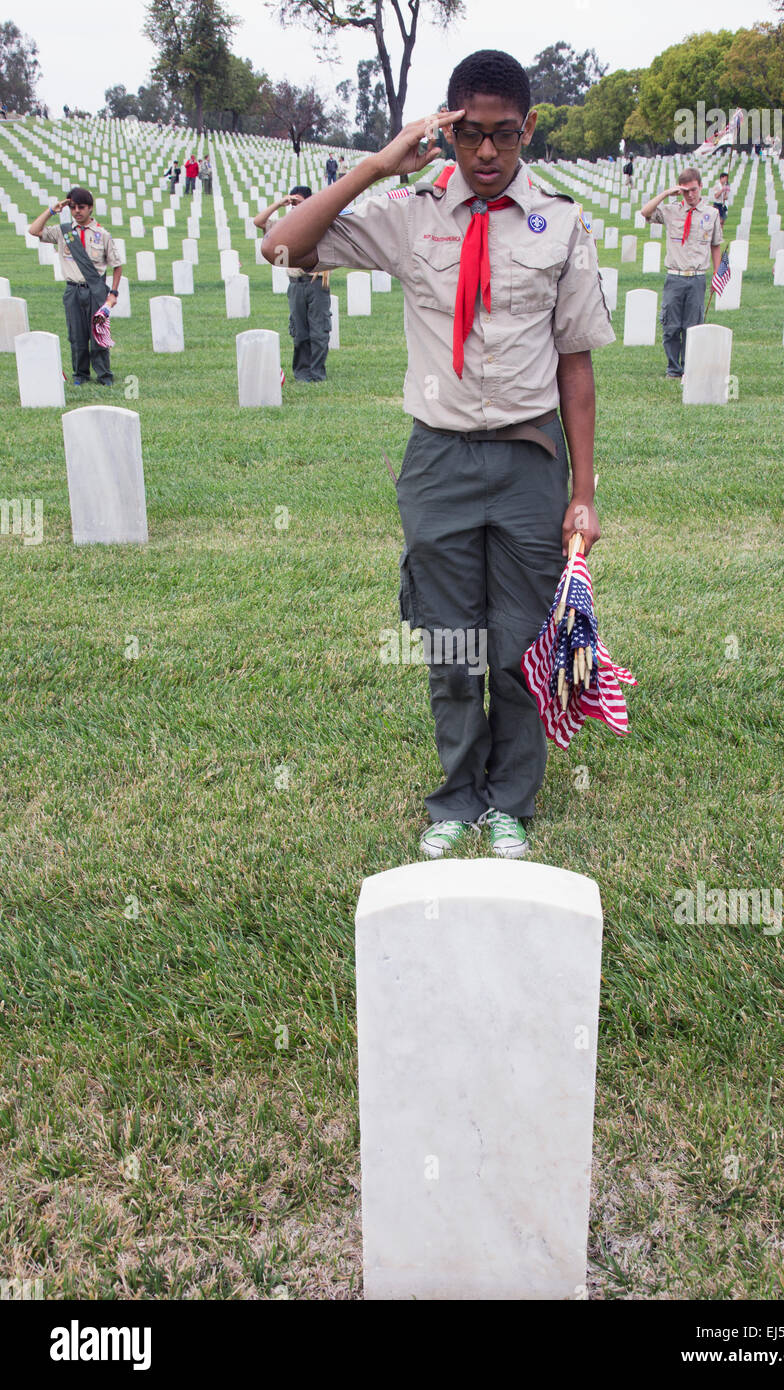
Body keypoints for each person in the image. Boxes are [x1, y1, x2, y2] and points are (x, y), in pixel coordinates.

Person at [262, 48, 614, 861]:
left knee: (524, 647)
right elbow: (281, 249)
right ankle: (455, 796)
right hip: (439, 462)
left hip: (530, 461)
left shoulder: (558, 221)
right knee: (453, 648)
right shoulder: (410, 213)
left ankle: (511, 805)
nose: (486, 155)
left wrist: (584, 490)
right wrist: (381, 163)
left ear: (528, 129)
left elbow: (576, 364)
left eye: (503, 136)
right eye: (469, 136)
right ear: (446, 130)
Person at [28, 186, 122, 386]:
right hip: (72, 290)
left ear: (90, 208)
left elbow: (117, 266)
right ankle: (80, 374)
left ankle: (104, 375)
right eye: (73, 207)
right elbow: (34, 230)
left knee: (98, 335)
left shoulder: (102, 234)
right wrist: (53, 210)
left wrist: (113, 293)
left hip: (95, 290)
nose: (77, 211)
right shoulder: (64, 232)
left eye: (81, 207)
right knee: (76, 336)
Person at [640, 168, 722, 381]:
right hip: (675, 276)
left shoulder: (711, 214)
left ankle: (690, 368)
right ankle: (673, 369)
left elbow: (715, 245)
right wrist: (667, 193)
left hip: (696, 277)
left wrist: (716, 272)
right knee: (671, 326)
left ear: (700, 186)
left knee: (693, 327)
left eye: (693, 190)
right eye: (685, 191)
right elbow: (645, 212)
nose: (690, 195)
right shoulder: (671, 210)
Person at [254, 187, 332, 383]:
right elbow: (259, 222)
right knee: (299, 331)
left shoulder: (319, 223)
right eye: (293, 203)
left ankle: (317, 373)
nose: (295, 207)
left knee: (319, 331)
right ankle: (302, 373)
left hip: (316, 282)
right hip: (296, 284)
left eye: (300, 202)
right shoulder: (284, 226)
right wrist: (280, 203)